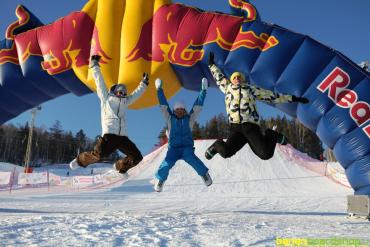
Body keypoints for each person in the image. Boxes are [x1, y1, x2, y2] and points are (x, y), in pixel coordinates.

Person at [205, 52, 309, 161]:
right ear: (231, 80)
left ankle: (272, 135)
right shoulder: (227, 88)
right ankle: (216, 146)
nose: (237, 78)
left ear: (243, 79)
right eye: (234, 77)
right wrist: (211, 64)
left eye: (239, 77)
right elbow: (219, 77)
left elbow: (272, 96)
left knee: (265, 154)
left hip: (250, 126)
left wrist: (294, 98)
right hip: (236, 128)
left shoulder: (250, 89)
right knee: (226, 152)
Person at [69, 55, 148, 174]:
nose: (122, 94)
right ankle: (79, 160)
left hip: (123, 137)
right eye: (120, 92)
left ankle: (119, 167)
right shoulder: (106, 98)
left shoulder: (125, 101)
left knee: (137, 157)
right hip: (109, 135)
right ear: (115, 91)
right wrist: (95, 65)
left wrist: (144, 83)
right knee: (98, 155)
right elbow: (99, 82)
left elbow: (136, 94)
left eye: (124, 93)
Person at [154, 77, 212, 192]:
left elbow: (197, 107)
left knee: (192, 159)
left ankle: (204, 174)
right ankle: (160, 180)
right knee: (167, 163)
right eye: (177, 110)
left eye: (182, 110)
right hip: (174, 148)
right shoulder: (170, 118)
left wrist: (203, 91)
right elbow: (164, 106)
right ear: (174, 111)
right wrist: (159, 90)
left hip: (186, 147)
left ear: (185, 111)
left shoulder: (189, 119)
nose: (179, 112)